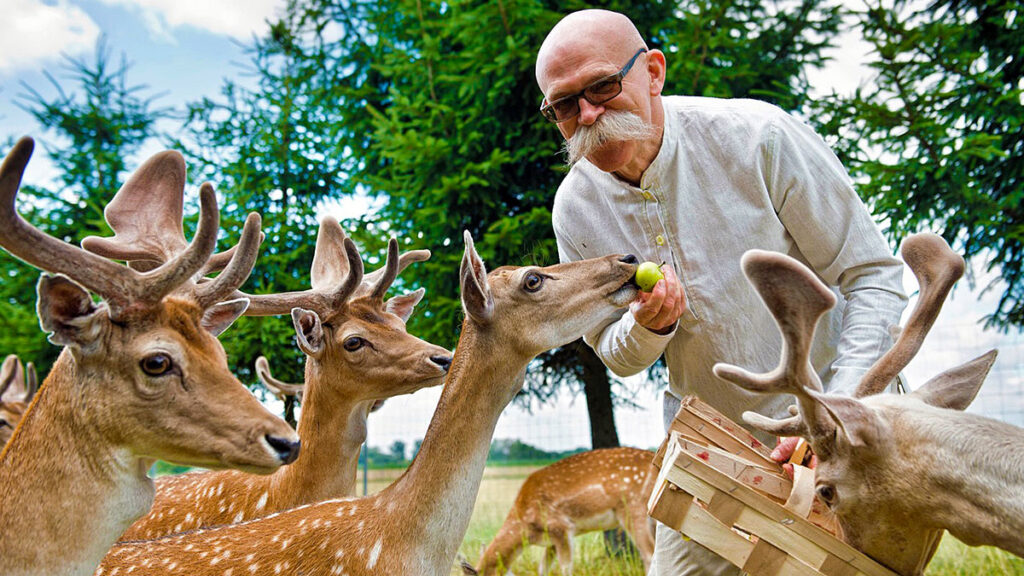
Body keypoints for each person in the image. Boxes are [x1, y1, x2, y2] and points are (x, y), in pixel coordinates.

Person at [535, 9, 908, 576]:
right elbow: (613, 354)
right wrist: (649, 328)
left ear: (653, 72)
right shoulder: (575, 208)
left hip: (840, 425)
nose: (588, 113)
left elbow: (872, 275)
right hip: (712, 451)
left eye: (604, 86)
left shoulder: (759, 137)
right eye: (564, 104)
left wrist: (834, 415)